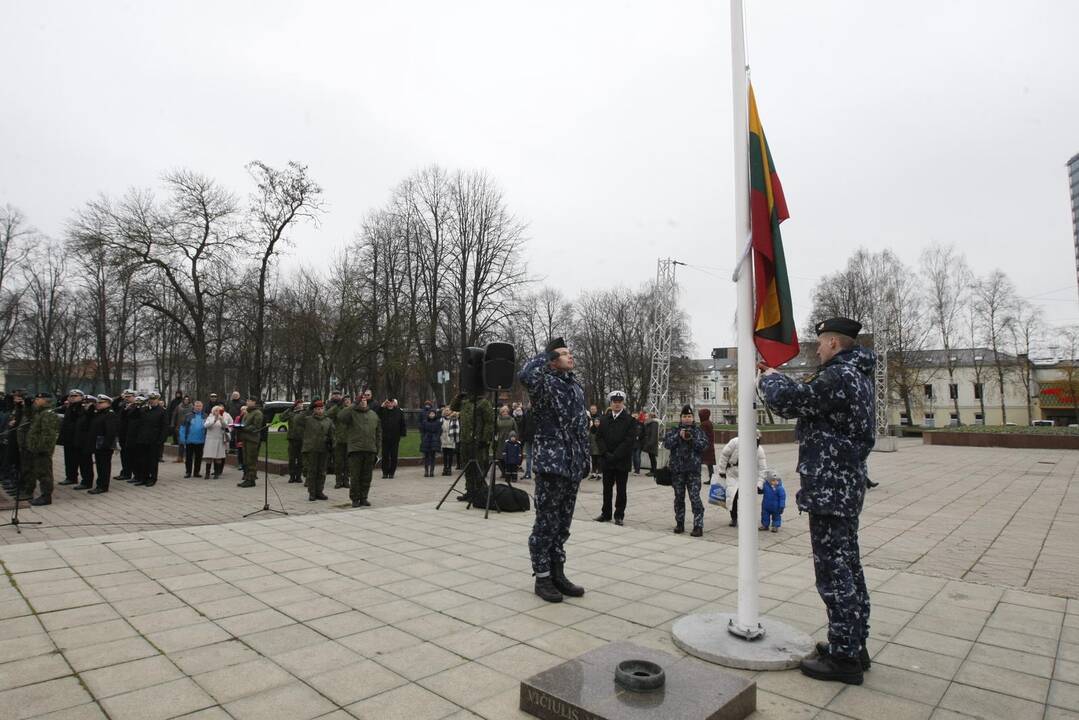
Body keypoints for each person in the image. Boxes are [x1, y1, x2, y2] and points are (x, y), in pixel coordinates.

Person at [758, 316, 876, 685]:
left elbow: (793, 401)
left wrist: (769, 376)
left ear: (835, 344)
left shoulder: (840, 375)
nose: (818, 348)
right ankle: (853, 644)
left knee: (834, 573)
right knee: (849, 568)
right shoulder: (858, 376)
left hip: (831, 487)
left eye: (821, 343)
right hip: (842, 485)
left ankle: (844, 659)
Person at [519, 337, 589, 603]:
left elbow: (581, 425)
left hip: (571, 464)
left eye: (571, 352)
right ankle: (543, 577)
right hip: (551, 463)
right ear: (551, 359)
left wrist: (585, 459)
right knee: (545, 523)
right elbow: (524, 375)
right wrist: (544, 354)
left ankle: (559, 573)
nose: (570, 356)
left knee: (563, 524)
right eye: (563, 354)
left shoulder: (576, 387)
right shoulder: (544, 382)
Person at [663, 404, 709, 536]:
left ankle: (698, 525)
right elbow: (667, 443)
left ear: (693, 418)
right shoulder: (674, 430)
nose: (687, 419)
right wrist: (679, 436)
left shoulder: (698, 431)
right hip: (678, 471)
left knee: (695, 498)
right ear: (681, 418)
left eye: (689, 416)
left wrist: (691, 439)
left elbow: (704, 446)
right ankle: (679, 523)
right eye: (685, 416)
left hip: (693, 471)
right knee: (679, 498)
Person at [594, 390, 636, 526]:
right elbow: (599, 438)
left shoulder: (629, 420)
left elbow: (629, 441)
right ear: (610, 403)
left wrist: (616, 455)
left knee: (621, 490)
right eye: (614, 402)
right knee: (607, 489)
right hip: (607, 460)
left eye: (619, 402)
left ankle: (619, 515)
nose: (617, 404)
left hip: (621, 460)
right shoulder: (604, 419)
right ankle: (606, 513)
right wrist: (606, 453)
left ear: (623, 403)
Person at [338, 392, 381, 507]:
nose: (363, 401)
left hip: (370, 449)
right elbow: (340, 416)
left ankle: (364, 497)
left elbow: (378, 433)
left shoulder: (373, 415)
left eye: (365, 400)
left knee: (367, 476)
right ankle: (355, 498)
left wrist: (377, 449)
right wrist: (353, 405)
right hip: (355, 449)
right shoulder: (352, 413)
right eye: (361, 400)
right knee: (355, 476)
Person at [717, 431, 767, 527]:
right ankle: (734, 518)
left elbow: (763, 468)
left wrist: (760, 483)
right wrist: (722, 470)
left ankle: (746, 518)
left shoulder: (759, 450)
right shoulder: (735, 442)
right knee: (732, 497)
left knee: (746, 498)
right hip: (733, 473)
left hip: (748, 476)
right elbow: (724, 455)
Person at [451, 390, 494, 501]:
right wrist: (458, 396)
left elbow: (489, 422)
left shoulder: (483, 403)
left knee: (478, 468)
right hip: (465, 440)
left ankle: (481, 493)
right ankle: (470, 491)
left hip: (477, 441)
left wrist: (485, 439)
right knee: (467, 468)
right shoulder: (465, 403)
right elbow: (453, 407)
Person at [25, 393, 61, 506]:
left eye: (38, 399)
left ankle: (46, 496)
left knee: (44, 472)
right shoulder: (40, 413)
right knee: (40, 472)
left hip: (42, 449)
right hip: (37, 448)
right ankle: (44, 494)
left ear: (45, 400)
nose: (36, 400)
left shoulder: (48, 414)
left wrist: (42, 447)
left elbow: (48, 434)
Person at [301, 400, 334, 501]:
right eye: (317, 409)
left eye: (321, 409)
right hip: (311, 449)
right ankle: (312, 492)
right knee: (312, 471)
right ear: (314, 410)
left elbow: (332, 434)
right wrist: (308, 408)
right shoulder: (308, 419)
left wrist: (332, 444)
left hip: (323, 449)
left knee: (322, 471)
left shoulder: (328, 420)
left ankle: (319, 491)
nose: (320, 411)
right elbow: (298, 419)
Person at [134, 392, 167, 487]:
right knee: (143, 460)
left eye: (154, 399)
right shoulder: (143, 410)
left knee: (152, 461)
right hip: (143, 439)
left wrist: (161, 440)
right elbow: (135, 419)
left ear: (158, 400)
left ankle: (152, 478)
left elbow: (164, 427)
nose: (152, 401)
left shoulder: (162, 411)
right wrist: (137, 406)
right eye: (150, 399)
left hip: (154, 440)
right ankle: (143, 478)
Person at [87, 395, 119, 494]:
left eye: (101, 403)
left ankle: (103, 486)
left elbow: (110, 431)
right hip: (98, 444)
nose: (98, 404)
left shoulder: (110, 414)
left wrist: (106, 445)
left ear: (108, 403)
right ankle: (100, 484)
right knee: (100, 465)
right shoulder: (100, 413)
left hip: (104, 444)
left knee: (104, 466)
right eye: (98, 402)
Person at [58, 389, 85, 486]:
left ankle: (84, 480)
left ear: (81, 397)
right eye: (71, 396)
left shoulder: (83, 407)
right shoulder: (69, 407)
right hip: (68, 437)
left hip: (78, 438)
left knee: (81, 460)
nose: (72, 398)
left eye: (75, 396)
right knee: (69, 459)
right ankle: (70, 477)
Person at [236, 397, 264, 487]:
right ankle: (247, 477)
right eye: (247, 401)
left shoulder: (257, 413)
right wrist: (239, 426)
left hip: (252, 439)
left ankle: (251, 479)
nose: (247, 402)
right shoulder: (247, 412)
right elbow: (245, 423)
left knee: (251, 459)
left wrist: (243, 428)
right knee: (246, 459)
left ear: (254, 402)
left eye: (249, 401)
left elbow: (256, 427)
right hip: (245, 438)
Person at [377, 398, 407, 479]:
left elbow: (402, 423)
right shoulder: (383, 411)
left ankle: (392, 472)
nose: (390, 404)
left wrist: (403, 433)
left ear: (394, 403)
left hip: (395, 437)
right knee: (385, 455)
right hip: (385, 437)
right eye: (388, 402)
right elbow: (377, 414)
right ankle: (385, 472)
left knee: (394, 455)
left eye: (391, 402)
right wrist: (382, 406)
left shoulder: (399, 412)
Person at [73, 394, 98, 490]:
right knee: (82, 462)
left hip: (87, 442)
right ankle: (85, 480)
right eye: (84, 403)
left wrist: (91, 409)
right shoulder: (82, 412)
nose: (85, 405)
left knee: (86, 463)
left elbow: (89, 423)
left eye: (88, 403)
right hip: (80, 441)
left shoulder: (92, 414)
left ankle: (87, 482)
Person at [280, 399, 307, 484]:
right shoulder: (291, 413)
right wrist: (289, 409)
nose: (300, 405)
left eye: (301, 404)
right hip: (292, 438)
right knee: (292, 459)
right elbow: (282, 418)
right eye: (298, 404)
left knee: (300, 459)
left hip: (302, 439)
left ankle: (298, 476)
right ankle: (292, 476)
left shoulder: (304, 413)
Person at [202, 404, 232, 478]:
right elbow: (206, 425)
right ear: (213, 411)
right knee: (209, 457)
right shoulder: (209, 417)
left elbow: (226, 427)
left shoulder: (222, 417)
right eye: (216, 410)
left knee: (218, 457)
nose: (217, 412)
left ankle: (216, 473)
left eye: (218, 410)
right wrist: (214, 420)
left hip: (219, 439)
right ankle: (207, 473)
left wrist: (221, 420)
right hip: (210, 439)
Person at [179, 401, 207, 478]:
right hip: (189, 440)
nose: (198, 407)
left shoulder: (205, 416)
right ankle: (188, 472)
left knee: (199, 457)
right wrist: (182, 439)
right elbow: (182, 428)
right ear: (194, 407)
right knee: (188, 458)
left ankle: (196, 472)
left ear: (202, 407)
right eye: (197, 406)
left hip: (201, 440)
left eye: (200, 406)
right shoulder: (188, 416)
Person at [328, 393, 350, 488]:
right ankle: (338, 481)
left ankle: (346, 480)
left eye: (349, 400)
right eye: (345, 400)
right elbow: (328, 414)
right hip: (338, 439)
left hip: (349, 440)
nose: (347, 402)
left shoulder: (352, 410)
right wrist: (337, 406)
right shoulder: (337, 409)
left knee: (348, 463)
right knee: (338, 462)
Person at [419, 404, 442, 477]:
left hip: (434, 440)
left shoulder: (438, 422)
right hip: (426, 439)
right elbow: (422, 431)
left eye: (433, 414)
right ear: (428, 414)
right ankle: (426, 471)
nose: (432, 415)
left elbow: (439, 431)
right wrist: (423, 438)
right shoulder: (425, 422)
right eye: (430, 414)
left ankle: (432, 471)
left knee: (432, 456)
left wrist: (437, 437)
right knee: (426, 457)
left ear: (435, 415)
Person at [495, 405, 517, 478]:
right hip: (500, 440)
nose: (505, 412)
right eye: (503, 411)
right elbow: (495, 430)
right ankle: (503, 472)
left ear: (508, 412)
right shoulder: (498, 420)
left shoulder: (512, 420)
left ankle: (508, 472)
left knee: (508, 457)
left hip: (509, 440)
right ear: (501, 412)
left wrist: (515, 438)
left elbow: (515, 430)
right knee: (500, 457)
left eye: (506, 411)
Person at [170, 393, 192, 463]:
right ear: (183, 400)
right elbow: (174, 415)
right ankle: (180, 458)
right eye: (185, 399)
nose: (186, 401)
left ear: (189, 400)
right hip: (180, 427)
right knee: (181, 443)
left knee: (189, 443)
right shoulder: (179, 406)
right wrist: (172, 424)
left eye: (187, 400)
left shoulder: (192, 407)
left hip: (189, 427)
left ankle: (188, 458)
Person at [439, 407, 459, 476]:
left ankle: (449, 468)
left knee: (450, 455)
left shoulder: (454, 419)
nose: (447, 412)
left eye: (448, 410)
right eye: (446, 410)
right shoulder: (441, 419)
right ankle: (445, 468)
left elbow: (456, 429)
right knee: (444, 455)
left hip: (451, 437)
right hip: (444, 437)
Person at [698, 408, 717, 479]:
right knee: (710, 464)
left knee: (698, 461)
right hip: (710, 446)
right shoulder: (709, 423)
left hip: (705, 447)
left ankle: (697, 477)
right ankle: (712, 478)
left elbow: (701, 435)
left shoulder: (704, 424)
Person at [520, 404, 535, 479]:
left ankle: (529, 473)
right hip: (530, 436)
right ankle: (529, 472)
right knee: (530, 456)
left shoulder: (527, 413)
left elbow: (522, 425)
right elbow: (522, 424)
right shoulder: (526, 413)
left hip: (531, 436)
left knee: (530, 456)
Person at [587, 405, 602, 480]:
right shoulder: (591, 429)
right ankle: (593, 473)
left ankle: (599, 473)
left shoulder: (601, 429)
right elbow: (589, 438)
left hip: (599, 448)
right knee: (593, 461)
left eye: (594, 409)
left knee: (599, 461)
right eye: (591, 409)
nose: (596, 423)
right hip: (592, 447)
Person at [631, 410, 645, 475]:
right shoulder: (630, 424)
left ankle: (637, 470)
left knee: (637, 456)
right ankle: (635, 469)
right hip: (632, 443)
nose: (635, 417)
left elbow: (644, 433)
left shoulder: (641, 424)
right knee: (634, 457)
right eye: (633, 416)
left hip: (639, 443)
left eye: (636, 416)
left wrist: (639, 437)